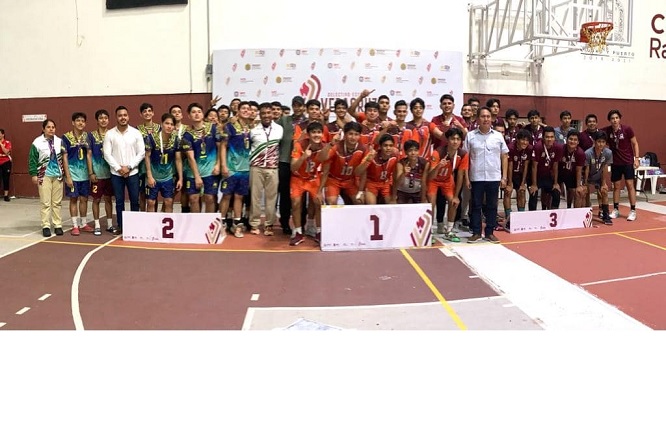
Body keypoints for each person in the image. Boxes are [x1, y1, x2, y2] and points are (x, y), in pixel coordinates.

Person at [464, 106, 508, 244]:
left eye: (488, 116)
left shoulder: (498, 136)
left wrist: (504, 177)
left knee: (492, 206)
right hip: (476, 177)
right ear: (477, 119)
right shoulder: (470, 136)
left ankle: (489, 232)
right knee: (476, 205)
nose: (486, 119)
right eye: (483, 116)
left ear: (491, 119)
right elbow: (465, 158)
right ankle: (476, 232)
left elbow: (504, 156)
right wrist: (466, 178)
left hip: (494, 177)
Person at [103, 106, 146, 235]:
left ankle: (135, 227)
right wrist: (118, 168)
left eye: (125, 115)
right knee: (119, 201)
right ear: (116, 117)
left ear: (128, 116)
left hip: (132, 173)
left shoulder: (136, 133)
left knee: (134, 200)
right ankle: (121, 226)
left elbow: (141, 153)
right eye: (120, 115)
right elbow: (107, 154)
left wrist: (129, 167)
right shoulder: (110, 134)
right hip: (116, 174)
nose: (123, 117)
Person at [289, 121, 329, 245]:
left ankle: (319, 232)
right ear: (308, 134)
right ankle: (298, 232)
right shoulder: (299, 145)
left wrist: (320, 191)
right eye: (313, 132)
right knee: (295, 203)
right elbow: (293, 168)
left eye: (319, 132)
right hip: (298, 178)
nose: (316, 135)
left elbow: (325, 172)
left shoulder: (324, 147)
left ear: (322, 134)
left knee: (318, 202)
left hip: (313, 178)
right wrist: (303, 157)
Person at [426, 127, 468, 242]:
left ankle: (449, 230)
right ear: (447, 140)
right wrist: (439, 166)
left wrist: (456, 196)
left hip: (447, 180)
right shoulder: (438, 152)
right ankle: (429, 232)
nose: (455, 142)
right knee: (431, 203)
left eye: (458, 139)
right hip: (434, 180)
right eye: (453, 139)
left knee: (454, 202)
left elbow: (460, 176)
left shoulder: (463, 154)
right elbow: (430, 176)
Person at [248, 102, 283, 235]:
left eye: (269, 113)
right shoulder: (253, 130)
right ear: (260, 114)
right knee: (255, 197)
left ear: (272, 114)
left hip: (273, 167)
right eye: (263, 113)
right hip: (256, 167)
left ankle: (269, 224)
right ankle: (254, 223)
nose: (266, 115)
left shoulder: (279, 129)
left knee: (271, 198)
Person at [181, 102, 222, 214]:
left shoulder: (213, 128)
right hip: (193, 172)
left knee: (210, 198)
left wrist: (218, 165)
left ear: (203, 114)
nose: (197, 114)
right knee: (193, 199)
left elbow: (220, 147)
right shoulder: (186, 135)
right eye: (193, 112)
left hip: (210, 171)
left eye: (199, 112)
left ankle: (209, 223)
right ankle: (196, 223)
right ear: (189, 116)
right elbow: (190, 157)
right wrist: (197, 177)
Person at [219, 101, 252, 237]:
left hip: (245, 169)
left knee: (239, 196)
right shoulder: (230, 126)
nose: (246, 110)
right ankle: (221, 223)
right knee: (227, 195)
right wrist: (223, 165)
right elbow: (223, 146)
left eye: (248, 109)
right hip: (231, 168)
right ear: (237, 111)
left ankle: (236, 224)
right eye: (243, 108)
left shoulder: (251, 127)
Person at [28, 119, 65, 237]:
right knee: (45, 202)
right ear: (43, 129)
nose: (51, 129)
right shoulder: (37, 142)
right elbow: (32, 159)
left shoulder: (60, 141)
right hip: (44, 176)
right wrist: (33, 174)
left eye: (53, 127)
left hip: (58, 175)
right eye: (48, 127)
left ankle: (57, 225)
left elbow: (64, 158)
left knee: (57, 202)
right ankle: (46, 226)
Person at [603, 109, 640, 221]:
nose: (615, 120)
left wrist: (636, 159)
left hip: (628, 162)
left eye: (616, 118)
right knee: (616, 186)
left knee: (629, 185)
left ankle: (633, 211)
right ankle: (615, 209)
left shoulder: (627, 129)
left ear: (619, 119)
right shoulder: (607, 131)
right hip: (615, 163)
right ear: (609, 120)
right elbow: (595, 133)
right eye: (612, 118)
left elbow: (635, 143)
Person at [145, 113, 183, 213]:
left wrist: (180, 178)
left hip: (168, 177)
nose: (169, 126)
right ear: (161, 124)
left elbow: (178, 159)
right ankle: (151, 223)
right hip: (154, 176)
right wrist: (149, 176)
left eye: (171, 124)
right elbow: (147, 157)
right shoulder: (151, 138)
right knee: (151, 202)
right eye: (167, 123)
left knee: (169, 202)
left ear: (174, 127)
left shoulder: (176, 139)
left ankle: (168, 222)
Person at [62, 112, 92, 236]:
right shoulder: (66, 137)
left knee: (84, 199)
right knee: (73, 199)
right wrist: (68, 176)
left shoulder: (87, 137)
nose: (81, 123)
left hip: (84, 175)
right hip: (73, 175)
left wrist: (91, 173)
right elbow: (64, 157)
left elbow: (89, 155)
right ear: (73, 122)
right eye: (78, 120)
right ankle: (75, 225)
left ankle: (83, 223)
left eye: (83, 121)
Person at [323, 121, 366, 205]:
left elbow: (364, 173)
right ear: (345, 134)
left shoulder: (363, 149)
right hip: (333, 180)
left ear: (360, 136)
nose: (353, 137)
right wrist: (331, 144)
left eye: (356, 134)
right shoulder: (337, 146)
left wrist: (361, 191)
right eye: (350, 134)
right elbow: (323, 159)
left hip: (350, 181)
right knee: (332, 203)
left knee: (360, 201)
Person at [87, 109, 115, 235]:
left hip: (110, 174)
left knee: (108, 199)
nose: (103, 120)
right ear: (97, 121)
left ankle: (109, 224)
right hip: (97, 175)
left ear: (108, 120)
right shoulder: (91, 136)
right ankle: (97, 225)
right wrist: (91, 173)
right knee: (96, 200)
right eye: (101, 118)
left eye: (105, 118)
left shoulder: (112, 134)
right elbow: (89, 155)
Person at [356, 133, 399, 205]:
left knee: (392, 205)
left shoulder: (394, 156)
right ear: (380, 146)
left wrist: (394, 196)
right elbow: (357, 172)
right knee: (372, 205)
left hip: (385, 183)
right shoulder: (372, 156)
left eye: (391, 145)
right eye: (385, 145)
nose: (388, 148)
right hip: (371, 183)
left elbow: (395, 178)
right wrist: (367, 161)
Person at [503, 129, 533, 228]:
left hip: (521, 174)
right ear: (517, 140)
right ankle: (508, 217)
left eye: (527, 140)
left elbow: (526, 165)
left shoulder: (529, 148)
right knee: (508, 192)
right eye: (522, 140)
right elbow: (509, 166)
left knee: (521, 192)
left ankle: (521, 216)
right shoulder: (511, 147)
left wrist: (523, 183)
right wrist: (509, 182)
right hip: (510, 173)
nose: (525, 142)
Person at [529, 126, 563, 210]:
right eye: (547, 137)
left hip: (548, 176)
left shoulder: (558, 147)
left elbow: (555, 165)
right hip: (537, 176)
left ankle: (554, 212)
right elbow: (534, 166)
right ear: (543, 138)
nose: (549, 139)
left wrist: (555, 183)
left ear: (554, 138)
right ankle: (531, 214)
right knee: (533, 193)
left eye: (551, 137)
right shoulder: (538, 147)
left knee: (556, 192)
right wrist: (534, 184)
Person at [584, 131, 613, 225]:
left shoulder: (608, 153)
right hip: (588, 176)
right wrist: (585, 183)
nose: (601, 144)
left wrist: (604, 183)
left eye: (603, 142)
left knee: (604, 191)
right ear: (594, 142)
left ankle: (605, 215)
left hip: (599, 176)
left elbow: (605, 167)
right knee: (586, 192)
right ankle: (586, 213)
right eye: (599, 141)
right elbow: (586, 169)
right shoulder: (588, 153)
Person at [137, 103, 160, 212]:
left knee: (153, 195)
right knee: (142, 193)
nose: (147, 113)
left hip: (155, 166)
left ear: (153, 113)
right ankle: (143, 216)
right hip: (141, 166)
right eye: (144, 111)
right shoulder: (137, 130)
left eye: (149, 111)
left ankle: (154, 216)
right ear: (141, 114)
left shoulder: (160, 128)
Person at [558, 130, 586, 208]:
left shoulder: (580, 153)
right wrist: (555, 182)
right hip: (560, 173)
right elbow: (555, 166)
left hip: (572, 175)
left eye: (575, 140)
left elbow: (578, 171)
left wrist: (578, 186)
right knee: (554, 190)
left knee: (577, 192)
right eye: (570, 139)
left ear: (578, 142)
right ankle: (549, 211)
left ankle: (571, 208)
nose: (572, 141)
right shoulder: (560, 149)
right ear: (566, 140)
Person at [395, 140, 427, 204]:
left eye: (416, 150)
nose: (413, 153)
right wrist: (404, 173)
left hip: (417, 192)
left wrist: (423, 198)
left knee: (424, 204)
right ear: (406, 152)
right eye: (410, 150)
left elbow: (424, 182)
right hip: (402, 192)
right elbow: (398, 183)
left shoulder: (424, 163)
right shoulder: (401, 163)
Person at [0, 129, 12, 201]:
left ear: (3, 134)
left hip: (6, 161)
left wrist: (1, 144)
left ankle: (6, 195)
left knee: (6, 179)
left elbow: (6, 152)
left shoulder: (7, 142)